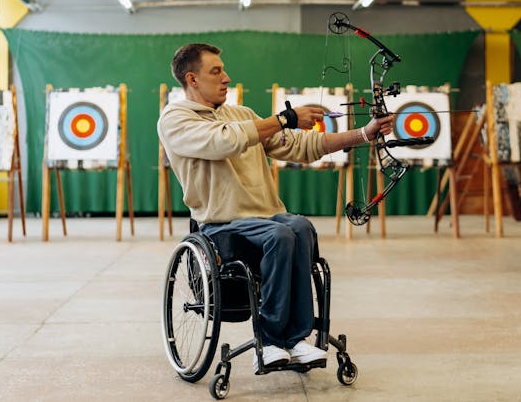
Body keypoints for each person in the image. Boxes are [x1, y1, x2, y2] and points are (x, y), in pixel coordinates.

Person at [157, 43, 394, 373]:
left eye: (224, 69)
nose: (226, 77)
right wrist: (285, 118)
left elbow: (297, 144)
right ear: (192, 79)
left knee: (300, 227)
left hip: (268, 218)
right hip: (221, 226)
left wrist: (363, 135)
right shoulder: (174, 119)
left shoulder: (242, 115)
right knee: (281, 234)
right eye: (216, 72)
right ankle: (268, 342)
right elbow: (225, 140)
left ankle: (296, 340)